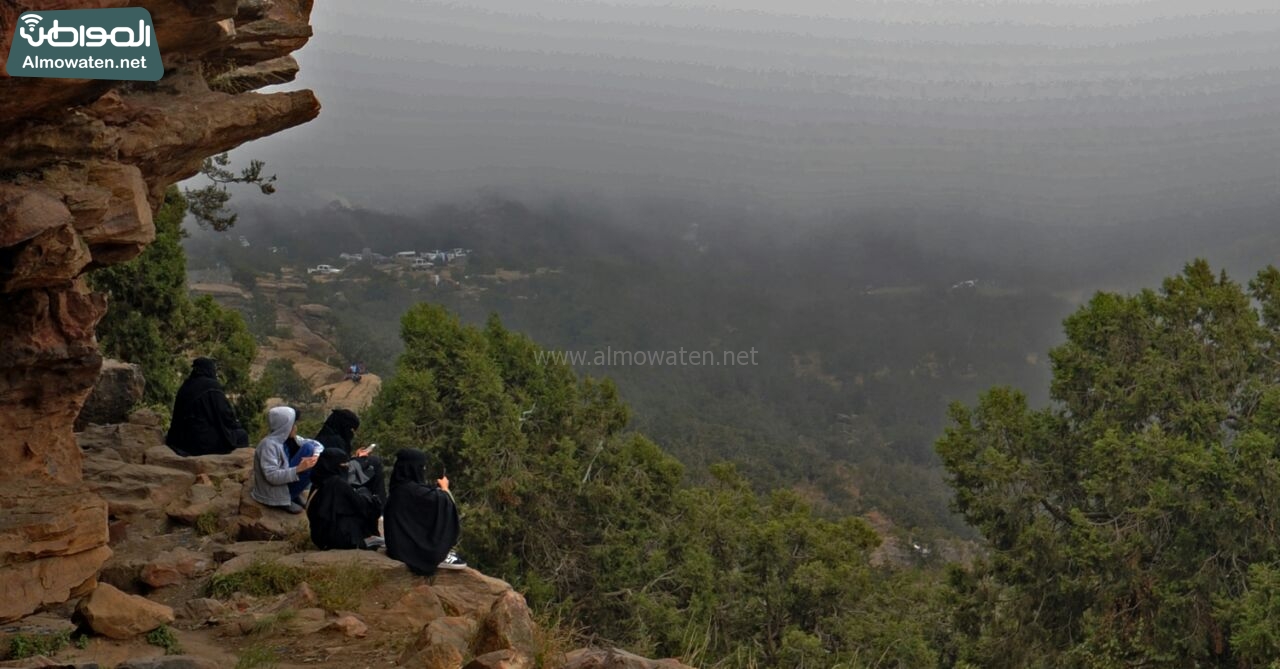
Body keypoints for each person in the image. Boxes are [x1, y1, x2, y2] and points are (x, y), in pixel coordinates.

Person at [384, 449, 466, 575]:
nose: (423, 470)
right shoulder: (413, 491)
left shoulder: (399, 488)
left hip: (396, 547)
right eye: (422, 467)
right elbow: (446, 503)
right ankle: (441, 554)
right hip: (409, 552)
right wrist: (444, 488)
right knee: (442, 507)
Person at [165, 358, 249, 456]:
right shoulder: (211, 386)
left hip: (180, 441)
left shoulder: (185, 386)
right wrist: (236, 425)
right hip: (201, 442)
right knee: (242, 435)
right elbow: (225, 414)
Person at [307, 449, 384, 550]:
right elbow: (362, 506)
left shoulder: (318, 483)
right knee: (369, 501)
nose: (346, 467)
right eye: (344, 464)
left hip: (319, 537)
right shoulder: (337, 484)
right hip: (338, 539)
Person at [250, 406, 318, 514]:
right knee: (312, 469)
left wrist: (315, 456)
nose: (295, 428)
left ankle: (293, 495)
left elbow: (315, 445)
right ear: (284, 427)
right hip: (273, 492)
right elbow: (271, 476)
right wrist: (298, 469)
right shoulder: (269, 445)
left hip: (282, 483)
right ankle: (284, 500)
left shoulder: (282, 440)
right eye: (292, 425)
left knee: (308, 448)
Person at [314, 409, 386, 503]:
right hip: (336, 481)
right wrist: (358, 459)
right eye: (352, 430)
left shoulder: (326, 434)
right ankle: (380, 504)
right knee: (374, 463)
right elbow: (341, 468)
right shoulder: (335, 441)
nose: (352, 434)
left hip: (334, 478)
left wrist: (354, 457)